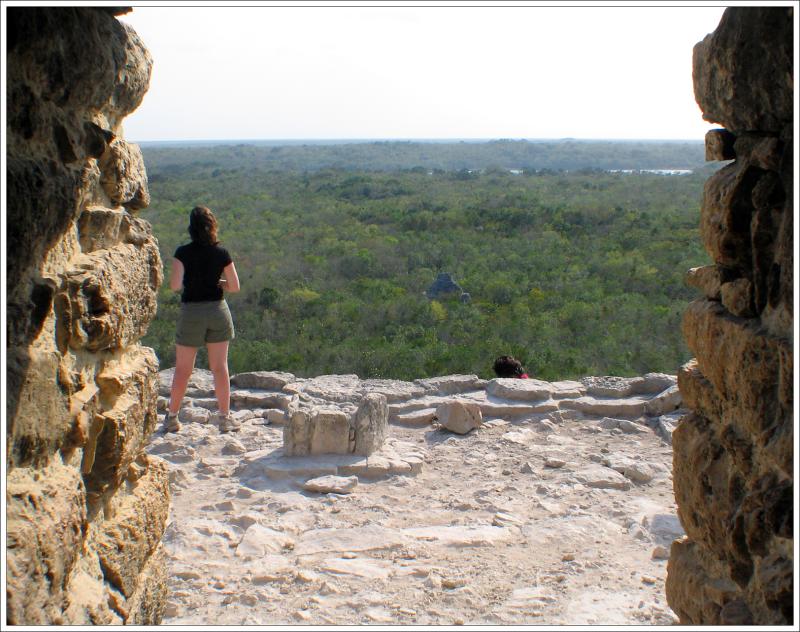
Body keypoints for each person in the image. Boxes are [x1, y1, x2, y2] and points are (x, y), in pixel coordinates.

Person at [164, 206, 241, 433]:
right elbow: (235, 287)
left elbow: (175, 286)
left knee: (183, 369)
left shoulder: (182, 253)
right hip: (218, 310)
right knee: (220, 367)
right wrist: (219, 283)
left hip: (191, 313)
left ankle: (171, 418)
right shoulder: (222, 253)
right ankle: (225, 419)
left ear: (191, 228)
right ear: (212, 226)